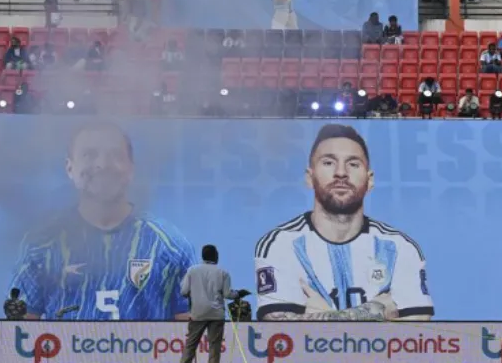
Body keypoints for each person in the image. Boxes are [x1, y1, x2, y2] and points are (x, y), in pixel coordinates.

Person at [9, 122, 197, 319]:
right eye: (89, 155)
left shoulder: (170, 246)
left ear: (131, 169)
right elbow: (19, 330)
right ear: (70, 168)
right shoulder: (40, 246)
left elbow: (191, 329)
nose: (103, 165)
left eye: (115, 155)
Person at [254, 124, 433, 320]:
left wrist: (321, 317)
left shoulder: (399, 248)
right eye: (328, 163)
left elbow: (417, 328)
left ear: (370, 180)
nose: (341, 173)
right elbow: (280, 329)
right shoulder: (281, 244)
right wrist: (376, 309)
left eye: (353, 164)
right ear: (310, 178)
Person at [178, 245, 245, 363]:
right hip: (216, 315)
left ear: (203, 256)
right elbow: (228, 294)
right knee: (214, 348)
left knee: (190, 346)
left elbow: (183, 292)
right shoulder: (223, 272)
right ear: (216, 256)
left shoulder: (192, 270)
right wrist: (239, 294)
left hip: (197, 314)